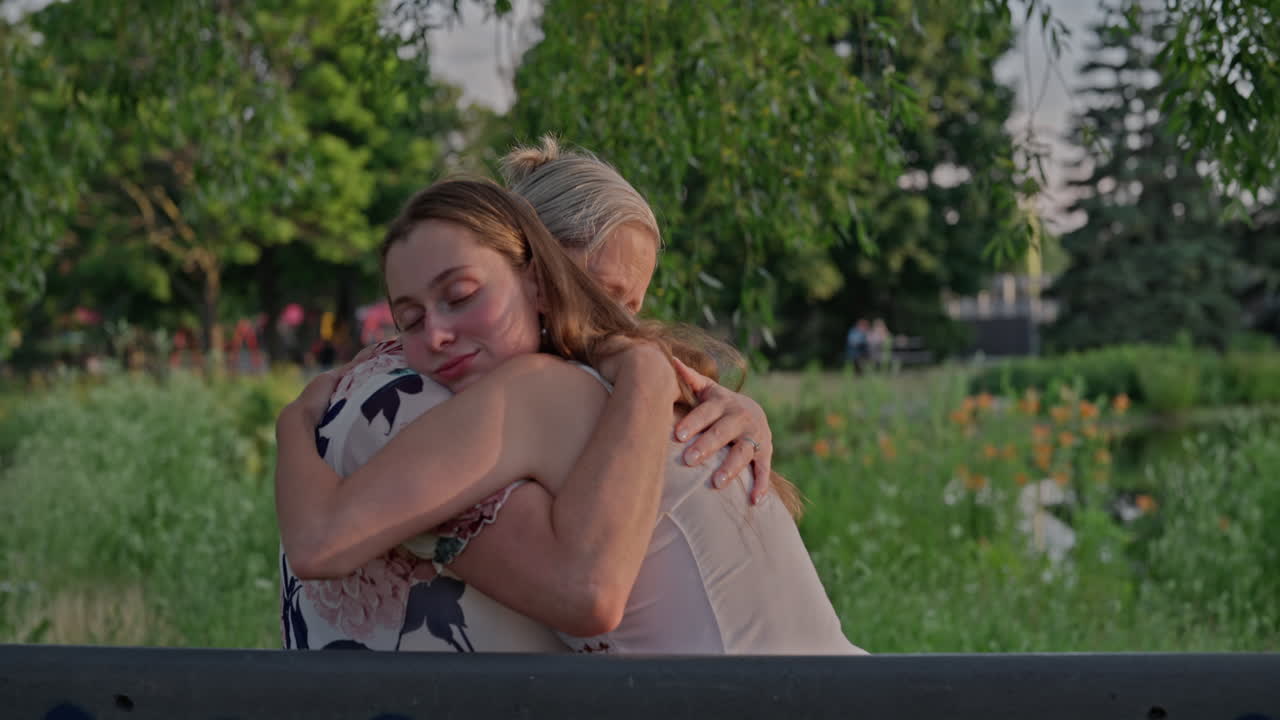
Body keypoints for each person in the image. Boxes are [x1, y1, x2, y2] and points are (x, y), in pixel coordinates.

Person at [276, 177, 861, 654]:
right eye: (598, 290)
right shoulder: (612, 386)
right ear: (539, 272)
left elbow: (320, 542)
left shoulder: (550, 389)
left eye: (633, 304)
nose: (621, 322)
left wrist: (295, 424)